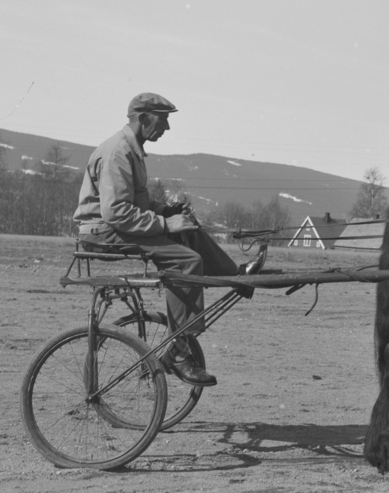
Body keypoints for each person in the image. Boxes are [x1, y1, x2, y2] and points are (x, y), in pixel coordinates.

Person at [73, 92, 263, 387]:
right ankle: (179, 352)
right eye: (164, 120)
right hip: (104, 232)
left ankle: (236, 276)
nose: (167, 128)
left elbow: (133, 203)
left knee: (187, 228)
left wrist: (168, 212)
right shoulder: (118, 153)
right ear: (143, 118)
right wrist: (164, 222)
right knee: (186, 260)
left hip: (114, 226)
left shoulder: (131, 150)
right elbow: (117, 213)